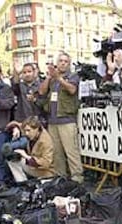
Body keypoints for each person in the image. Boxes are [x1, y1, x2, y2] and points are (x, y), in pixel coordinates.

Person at [38, 52, 84, 183]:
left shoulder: (73, 76)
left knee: (71, 152)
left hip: (67, 120)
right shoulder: (52, 79)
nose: (63, 63)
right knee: (57, 153)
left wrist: (59, 78)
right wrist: (48, 77)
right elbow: (41, 92)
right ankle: (60, 178)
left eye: (66, 61)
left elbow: (72, 90)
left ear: (69, 64)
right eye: (61, 61)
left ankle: (77, 179)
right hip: (52, 121)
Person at [6, 116, 55, 181]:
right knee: (11, 159)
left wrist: (27, 157)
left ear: (37, 129)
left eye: (28, 131)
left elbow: (46, 163)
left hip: (45, 172)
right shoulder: (30, 131)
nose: (26, 133)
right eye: (25, 131)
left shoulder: (46, 141)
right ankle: (22, 184)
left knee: (40, 190)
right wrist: (15, 128)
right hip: (33, 166)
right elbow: (14, 124)